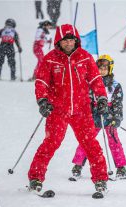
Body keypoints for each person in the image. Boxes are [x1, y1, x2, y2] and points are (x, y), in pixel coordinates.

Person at [28, 24, 109, 198]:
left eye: (71, 39)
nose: (69, 43)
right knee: (51, 143)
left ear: (76, 40)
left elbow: (96, 80)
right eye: (65, 40)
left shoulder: (85, 58)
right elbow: (41, 82)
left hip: (82, 110)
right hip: (57, 110)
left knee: (90, 144)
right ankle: (35, 178)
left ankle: (101, 180)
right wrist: (43, 100)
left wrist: (101, 98)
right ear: (59, 40)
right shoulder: (50, 59)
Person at [71, 54, 126, 179]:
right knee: (86, 139)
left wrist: (116, 117)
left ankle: (121, 167)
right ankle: (78, 165)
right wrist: (91, 112)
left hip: (109, 117)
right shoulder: (91, 82)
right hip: (94, 116)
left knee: (114, 141)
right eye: (99, 68)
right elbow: (87, 100)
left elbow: (118, 103)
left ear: (110, 69)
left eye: (104, 68)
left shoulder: (115, 85)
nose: (101, 70)